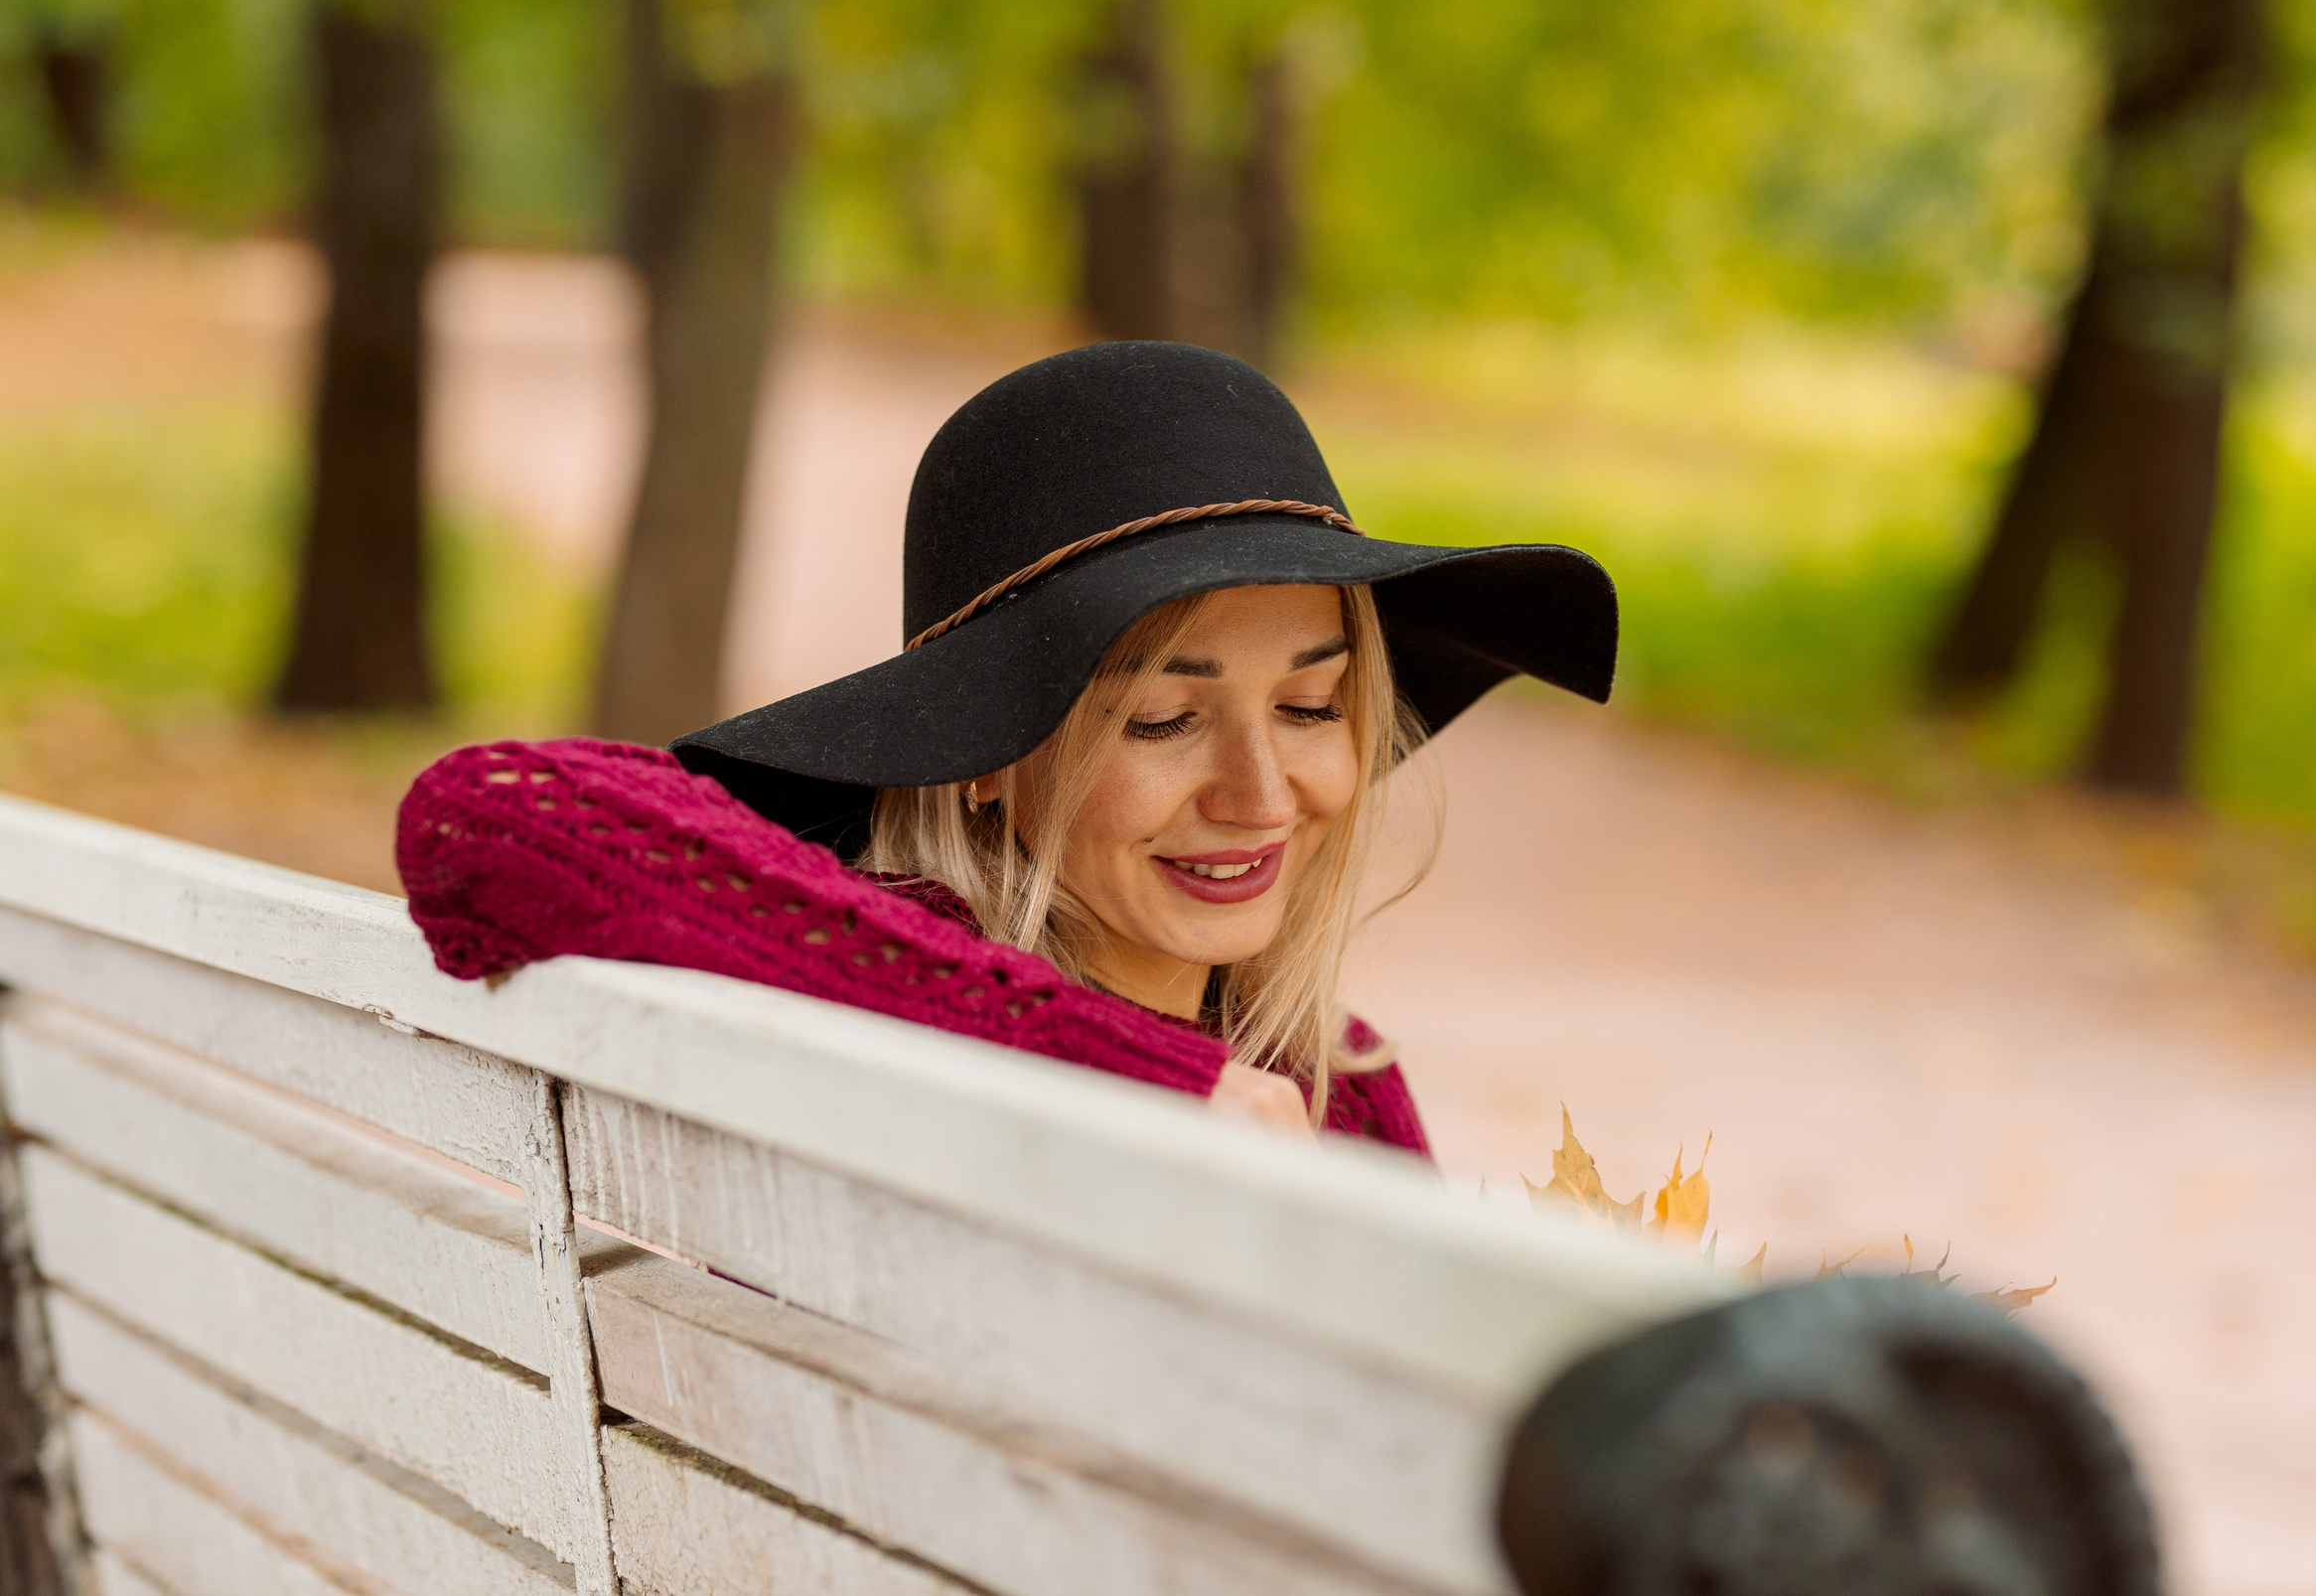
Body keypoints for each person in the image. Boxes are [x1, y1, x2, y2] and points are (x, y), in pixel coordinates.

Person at [397, 341, 1615, 1151]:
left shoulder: (1339, 1084)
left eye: (1309, 709)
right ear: (982, 750)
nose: (1260, 794)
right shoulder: (888, 1001)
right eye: (1163, 719)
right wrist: (1134, 1075)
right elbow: (484, 810)